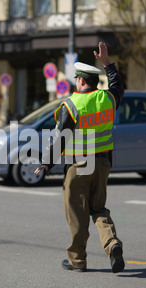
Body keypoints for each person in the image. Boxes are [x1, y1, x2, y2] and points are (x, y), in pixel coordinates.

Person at [35, 42, 125, 273]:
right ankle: (112, 243)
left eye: (77, 78)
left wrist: (46, 163)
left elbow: (60, 138)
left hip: (78, 165)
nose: (76, 81)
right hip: (103, 163)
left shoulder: (71, 105)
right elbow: (117, 85)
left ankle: (77, 260)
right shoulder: (108, 99)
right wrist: (107, 63)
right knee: (99, 209)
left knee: (77, 214)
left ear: (82, 81)